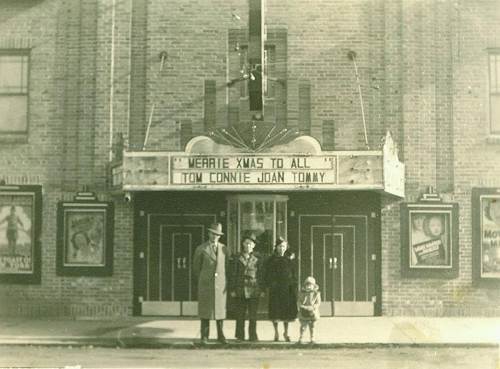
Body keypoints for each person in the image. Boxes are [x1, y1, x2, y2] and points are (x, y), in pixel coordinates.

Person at [192, 222, 229, 344]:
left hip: (220, 285)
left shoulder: (224, 249)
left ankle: (221, 335)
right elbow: (196, 268)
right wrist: (204, 279)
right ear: (208, 234)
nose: (215, 237)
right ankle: (204, 336)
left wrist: (223, 281)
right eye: (213, 234)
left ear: (220, 236)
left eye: (217, 235)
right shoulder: (201, 249)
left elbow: (226, 267)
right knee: (205, 310)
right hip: (206, 284)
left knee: (220, 311)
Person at [229, 235, 264, 342]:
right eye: (246, 243)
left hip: (253, 289)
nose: (248, 245)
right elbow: (232, 274)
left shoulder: (258, 259)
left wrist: (261, 289)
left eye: (250, 244)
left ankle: (253, 335)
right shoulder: (236, 258)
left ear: (253, 246)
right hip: (240, 289)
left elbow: (261, 275)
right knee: (240, 314)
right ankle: (240, 336)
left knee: (253, 315)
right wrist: (232, 289)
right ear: (243, 245)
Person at [264, 236, 298, 342]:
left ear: (286, 247)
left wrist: (294, 286)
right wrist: (270, 284)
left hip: (287, 289)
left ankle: (286, 332)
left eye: (283, 246)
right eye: (279, 246)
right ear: (276, 247)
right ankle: (276, 332)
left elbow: (294, 275)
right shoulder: (271, 260)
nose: (281, 248)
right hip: (275, 289)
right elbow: (267, 274)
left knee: (286, 313)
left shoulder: (290, 260)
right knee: (275, 312)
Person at [297, 276, 321, 344]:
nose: (309, 287)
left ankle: (312, 338)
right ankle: (301, 337)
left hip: (312, 311)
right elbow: (299, 301)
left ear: (313, 286)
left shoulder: (316, 293)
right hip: (304, 311)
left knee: (312, 326)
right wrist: (301, 306)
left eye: (310, 285)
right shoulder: (302, 293)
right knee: (303, 326)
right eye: (307, 285)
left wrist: (313, 307)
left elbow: (318, 302)